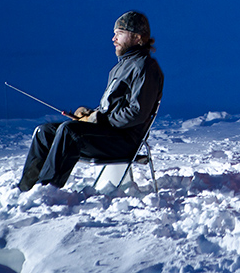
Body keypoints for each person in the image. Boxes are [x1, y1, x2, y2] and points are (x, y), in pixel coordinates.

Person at [17, 11, 164, 191]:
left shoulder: (145, 67)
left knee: (70, 132)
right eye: (114, 33)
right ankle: (26, 190)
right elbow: (111, 108)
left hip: (124, 140)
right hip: (108, 133)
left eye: (119, 33)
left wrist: (98, 119)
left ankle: (47, 191)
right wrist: (88, 115)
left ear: (137, 37)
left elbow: (137, 113)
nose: (113, 39)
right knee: (45, 132)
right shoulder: (120, 67)